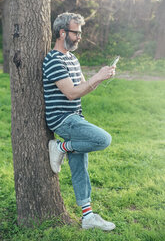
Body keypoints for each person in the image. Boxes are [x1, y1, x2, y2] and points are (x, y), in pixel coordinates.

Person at [43, 12, 116, 231]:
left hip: (75, 118)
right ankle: (61, 146)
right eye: (77, 33)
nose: (80, 37)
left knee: (79, 167)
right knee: (104, 139)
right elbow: (71, 93)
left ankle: (87, 216)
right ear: (62, 32)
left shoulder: (73, 59)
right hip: (63, 120)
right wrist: (96, 77)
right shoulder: (53, 60)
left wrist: (100, 78)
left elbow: (82, 89)